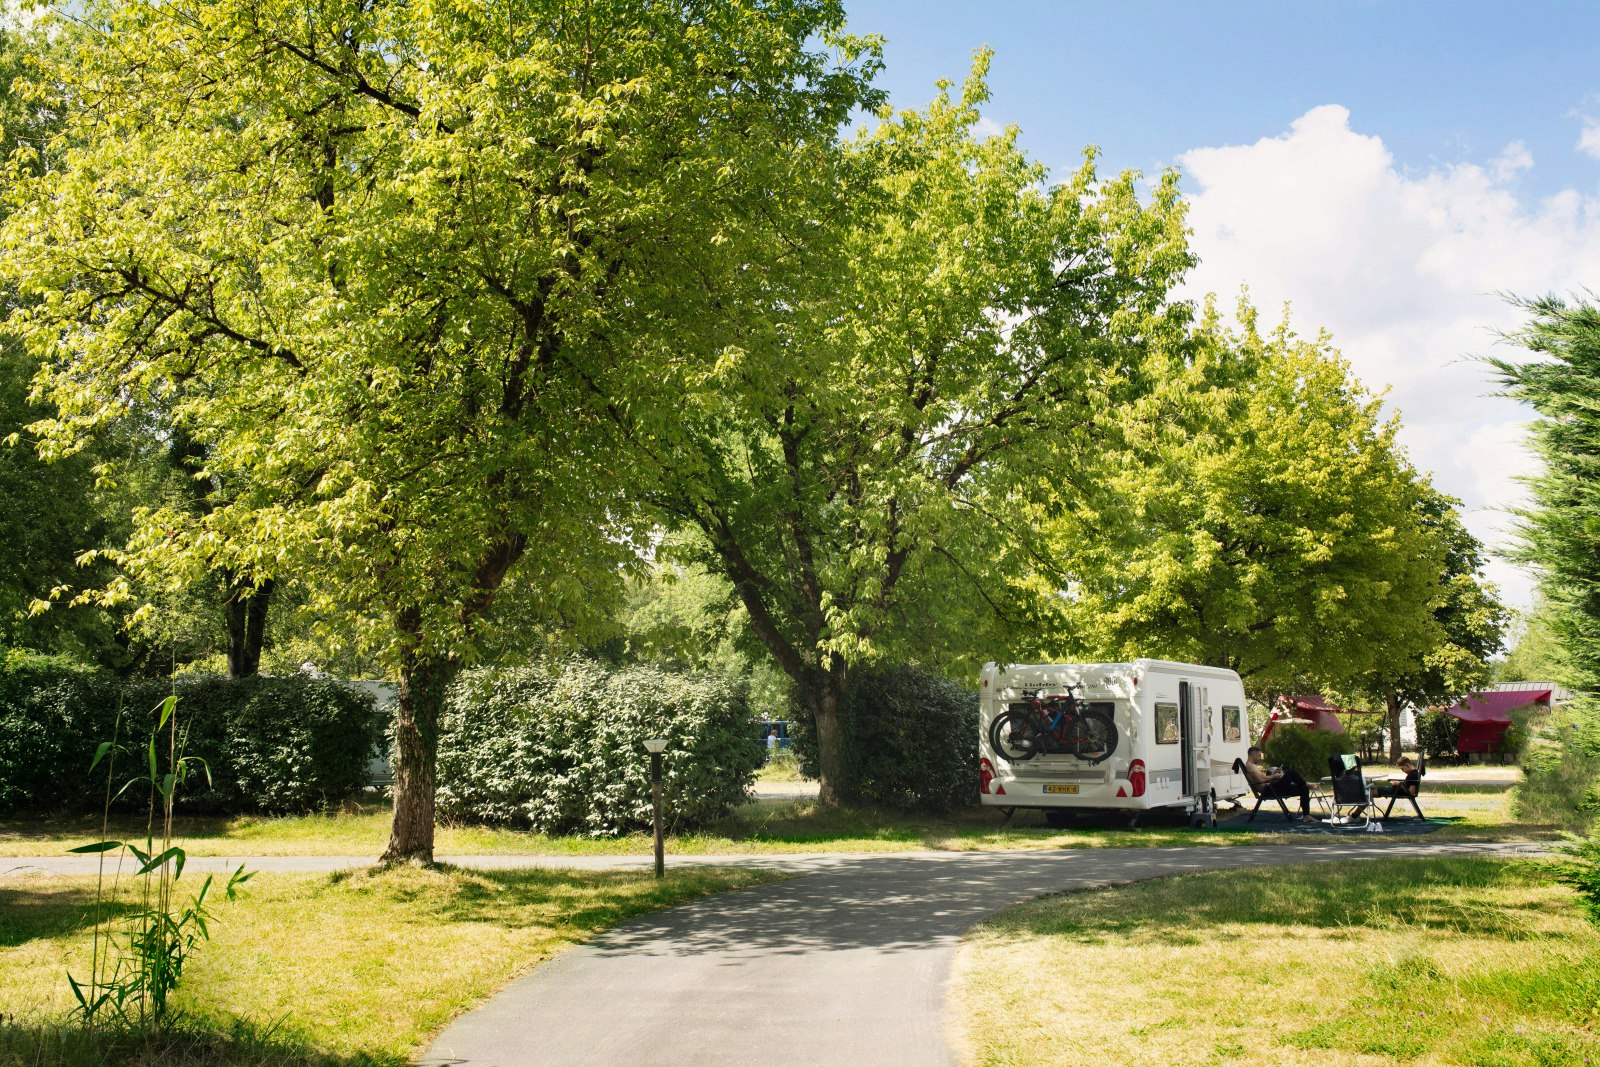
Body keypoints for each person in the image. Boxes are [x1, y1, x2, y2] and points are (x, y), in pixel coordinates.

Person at [1243, 745, 1311, 819]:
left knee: (1304, 788)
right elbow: (1261, 780)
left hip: (1271, 788)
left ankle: (1306, 816)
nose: (1260, 758)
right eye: (1259, 756)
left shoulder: (1252, 766)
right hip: (1269, 790)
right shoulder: (1250, 766)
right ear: (1253, 755)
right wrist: (1274, 776)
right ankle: (1306, 783)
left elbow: (1263, 779)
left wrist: (1273, 774)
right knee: (1291, 772)